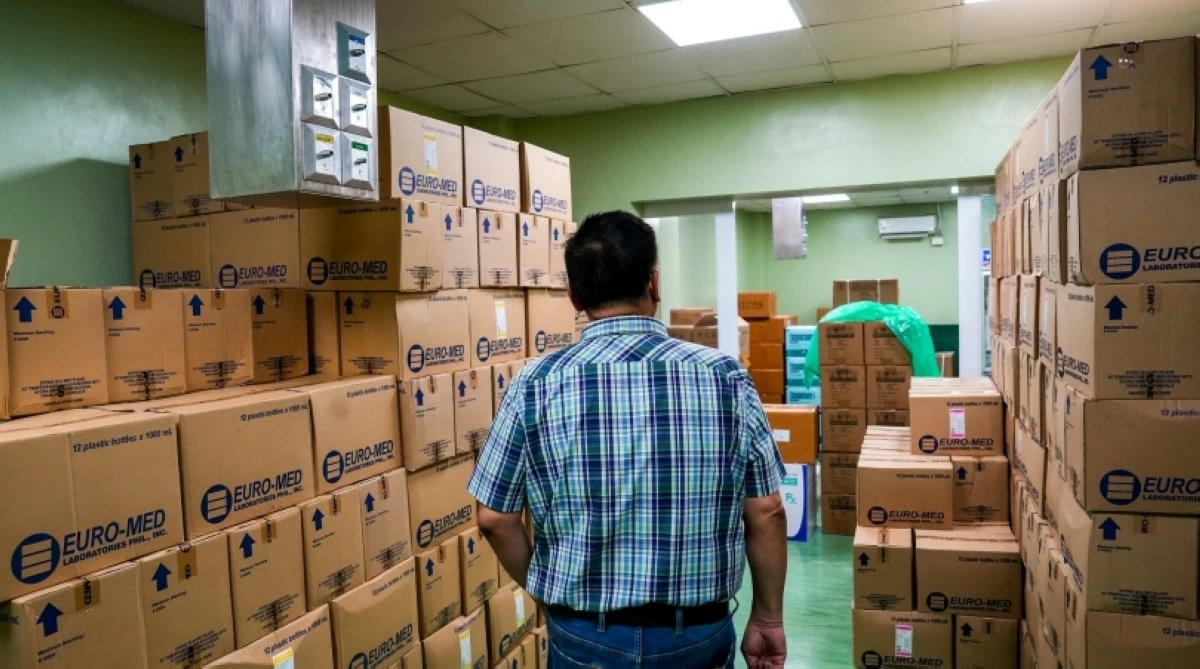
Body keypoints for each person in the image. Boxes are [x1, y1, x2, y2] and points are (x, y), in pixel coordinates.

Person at [469, 210, 788, 668]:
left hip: (584, 635)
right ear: (654, 284)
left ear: (574, 296)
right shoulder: (725, 377)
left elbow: (495, 519)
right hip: (696, 633)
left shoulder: (534, 383)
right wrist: (768, 618)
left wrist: (550, 595)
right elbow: (767, 510)